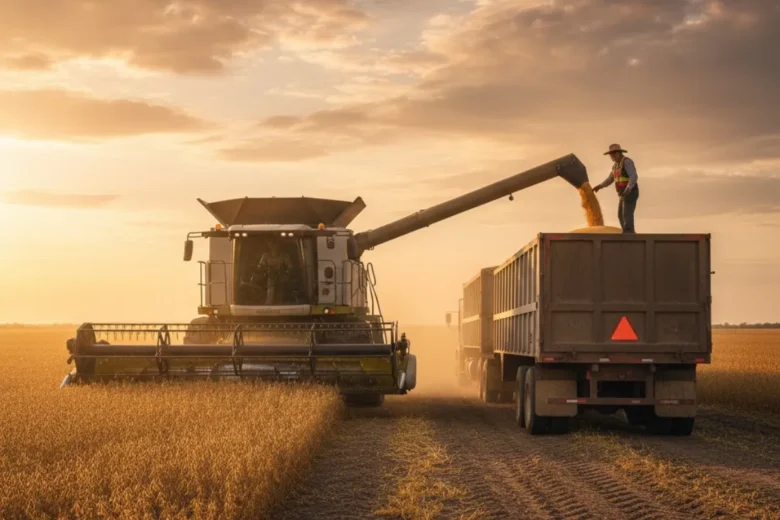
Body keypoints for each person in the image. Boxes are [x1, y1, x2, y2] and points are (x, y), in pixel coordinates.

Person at [594, 143, 639, 233]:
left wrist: (628, 188)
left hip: (630, 192)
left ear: (620, 153)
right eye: (611, 154)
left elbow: (633, 177)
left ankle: (629, 233)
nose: (612, 156)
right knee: (620, 215)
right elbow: (610, 179)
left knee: (626, 214)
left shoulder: (626, 162)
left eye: (614, 153)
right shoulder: (615, 166)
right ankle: (627, 232)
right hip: (622, 194)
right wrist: (600, 186)